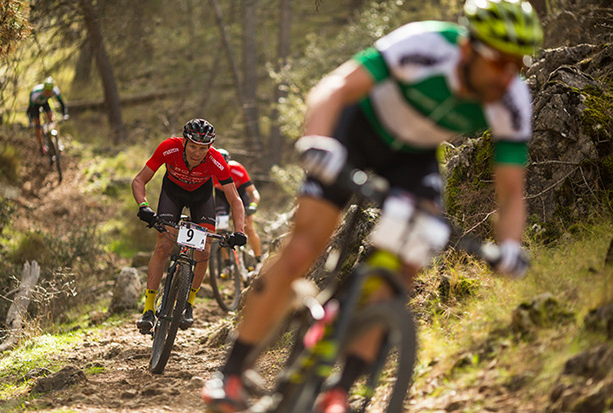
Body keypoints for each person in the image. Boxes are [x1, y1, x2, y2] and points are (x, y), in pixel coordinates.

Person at [202, 0, 542, 411]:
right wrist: (319, 140)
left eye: (517, 65)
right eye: (499, 62)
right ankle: (231, 374)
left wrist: (509, 247)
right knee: (305, 244)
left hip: (412, 158)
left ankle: (340, 391)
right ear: (468, 49)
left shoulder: (511, 100)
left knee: (398, 272)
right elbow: (336, 87)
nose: (509, 75)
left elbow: (510, 191)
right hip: (355, 130)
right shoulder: (427, 45)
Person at [132, 118, 247, 332]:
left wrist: (239, 231)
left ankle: (188, 305)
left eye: (203, 148)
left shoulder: (216, 161)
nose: (197, 152)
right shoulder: (168, 148)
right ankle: (148, 309)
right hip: (172, 194)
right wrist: (144, 207)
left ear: (210, 147)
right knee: (164, 246)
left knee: (203, 250)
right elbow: (139, 180)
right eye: (193, 146)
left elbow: (235, 199)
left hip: (201, 199)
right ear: (184, 141)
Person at [214, 148, 263, 268]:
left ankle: (258, 259)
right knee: (221, 230)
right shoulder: (210, 172)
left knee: (248, 227)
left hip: (239, 194)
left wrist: (253, 205)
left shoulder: (237, 169)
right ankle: (227, 263)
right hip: (221, 196)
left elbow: (253, 192)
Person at [26, 76, 69, 156]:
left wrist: (65, 114)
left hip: (45, 103)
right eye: (46, 92)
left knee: (52, 119)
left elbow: (62, 103)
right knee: (37, 124)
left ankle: (58, 142)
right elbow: (29, 109)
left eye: (50, 92)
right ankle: (41, 146)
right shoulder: (35, 94)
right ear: (43, 89)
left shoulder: (55, 91)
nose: (48, 94)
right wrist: (30, 121)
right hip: (35, 106)